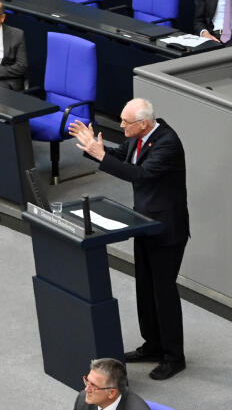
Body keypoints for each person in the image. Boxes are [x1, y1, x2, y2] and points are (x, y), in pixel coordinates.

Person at [68, 99, 189, 381]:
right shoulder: (138, 139)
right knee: (145, 290)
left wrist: (101, 156)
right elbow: (119, 157)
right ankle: (152, 345)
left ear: (143, 124)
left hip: (166, 229)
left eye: (125, 122)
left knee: (163, 293)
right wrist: (93, 149)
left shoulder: (167, 143)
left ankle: (174, 356)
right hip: (143, 224)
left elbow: (141, 174)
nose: (120, 126)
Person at [74, 358, 150, 410]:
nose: (86, 389)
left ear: (111, 393)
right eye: (87, 381)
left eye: (93, 385)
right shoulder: (83, 398)